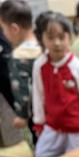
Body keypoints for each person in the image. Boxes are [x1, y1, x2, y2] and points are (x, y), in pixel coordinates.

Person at [32, 12, 79, 157]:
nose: (57, 43)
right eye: (50, 38)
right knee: (42, 156)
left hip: (77, 127)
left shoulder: (77, 67)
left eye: (61, 37)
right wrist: (39, 122)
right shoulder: (40, 65)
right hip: (53, 125)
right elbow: (38, 95)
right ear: (42, 39)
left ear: (69, 38)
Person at [0, 0, 41, 144]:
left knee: (40, 145)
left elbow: (22, 91)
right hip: (56, 112)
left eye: (3, 29)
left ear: (14, 29)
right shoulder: (42, 46)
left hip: (36, 115)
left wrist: (22, 116)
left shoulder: (18, 56)